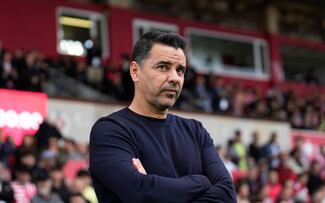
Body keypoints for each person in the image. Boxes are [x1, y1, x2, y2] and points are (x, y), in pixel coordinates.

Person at [89, 30, 236, 203]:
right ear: (135, 71)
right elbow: (140, 192)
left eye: (180, 70)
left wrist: (156, 190)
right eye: (163, 67)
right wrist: (201, 182)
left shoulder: (196, 131)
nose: (175, 78)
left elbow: (227, 195)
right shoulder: (110, 130)